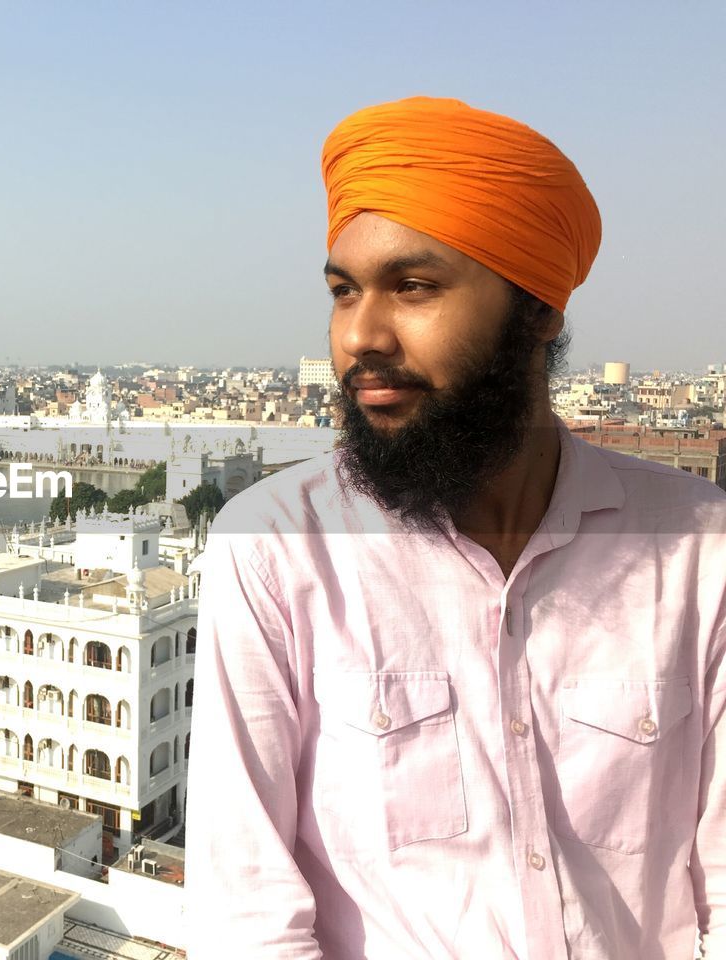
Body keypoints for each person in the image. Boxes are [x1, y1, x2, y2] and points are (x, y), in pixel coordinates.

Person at [183, 96, 726, 959]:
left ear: (540, 310)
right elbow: (247, 915)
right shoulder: (277, 550)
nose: (360, 335)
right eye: (343, 291)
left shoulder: (698, 551)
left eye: (414, 286)